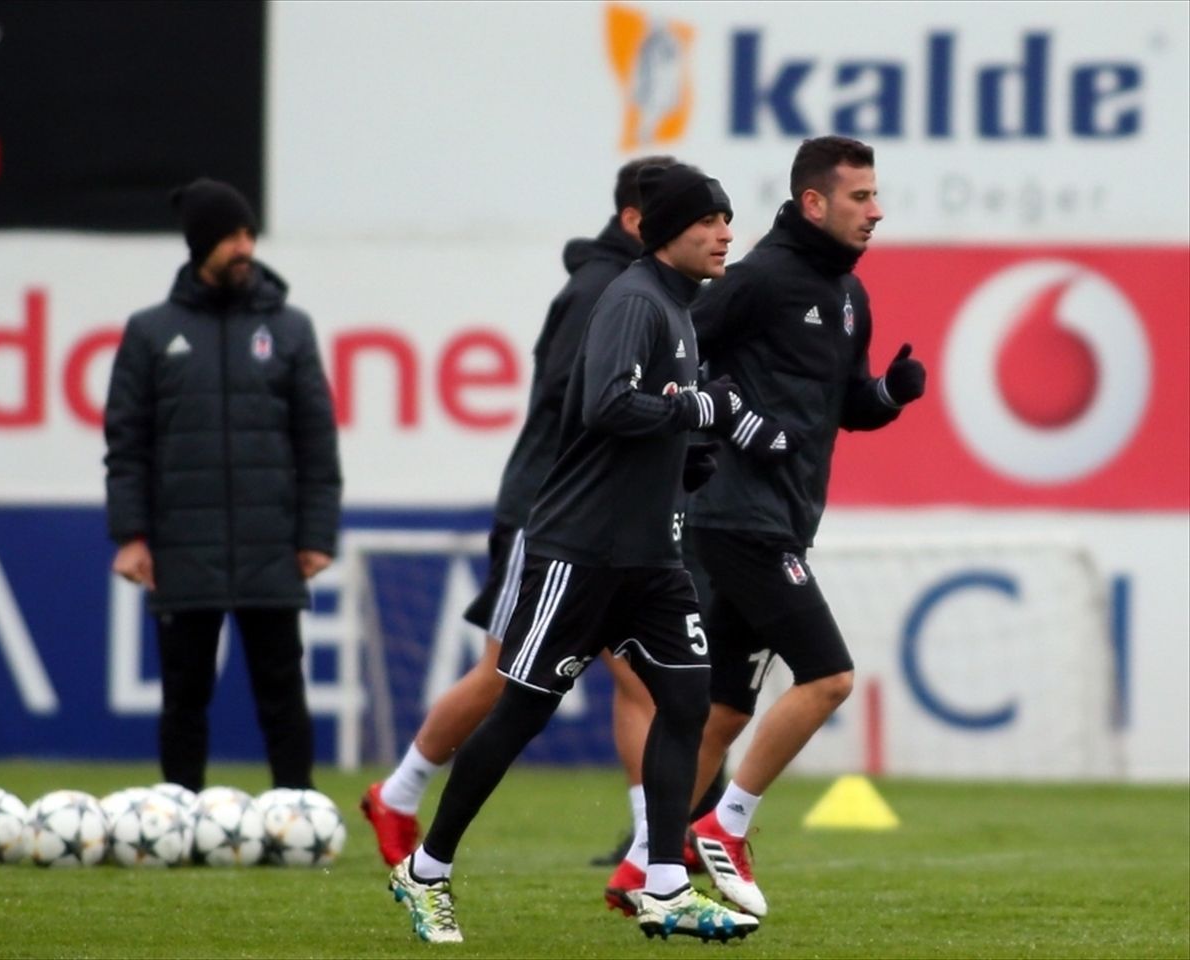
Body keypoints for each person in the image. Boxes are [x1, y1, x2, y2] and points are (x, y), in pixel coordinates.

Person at [388, 162, 759, 944]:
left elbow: (648, 424)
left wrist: (691, 454)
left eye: (729, 218)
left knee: (689, 702)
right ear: (667, 231)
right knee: (521, 711)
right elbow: (607, 404)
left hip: (652, 556)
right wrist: (699, 407)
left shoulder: (681, 310)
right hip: (581, 551)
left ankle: (662, 883)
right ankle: (426, 869)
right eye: (712, 219)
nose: (727, 232)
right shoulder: (632, 298)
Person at [360, 156, 678, 869]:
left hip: (600, 516)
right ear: (637, 221)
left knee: (635, 673)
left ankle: (656, 843)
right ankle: (401, 794)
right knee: (505, 675)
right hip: (552, 513)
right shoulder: (601, 292)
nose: (707, 233)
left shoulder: (639, 292)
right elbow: (578, 409)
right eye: (688, 219)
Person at [681, 135, 927, 918]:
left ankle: (643, 866)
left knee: (724, 709)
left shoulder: (850, 296)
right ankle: (725, 825)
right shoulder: (760, 277)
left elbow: (843, 405)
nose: (876, 212)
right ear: (814, 202)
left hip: (780, 518)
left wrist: (888, 394)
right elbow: (678, 349)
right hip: (737, 517)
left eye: (876, 196)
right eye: (861, 198)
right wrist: (739, 419)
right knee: (828, 676)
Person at [103, 177, 342, 793]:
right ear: (202, 243)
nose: (245, 247)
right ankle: (177, 816)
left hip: (271, 543)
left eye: (249, 234)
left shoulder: (290, 329)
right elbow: (126, 445)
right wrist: (131, 535)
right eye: (232, 236)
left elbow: (317, 442)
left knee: (283, 693)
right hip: (184, 544)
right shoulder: (150, 332)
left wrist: (316, 534)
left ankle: (299, 814)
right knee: (184, 696)